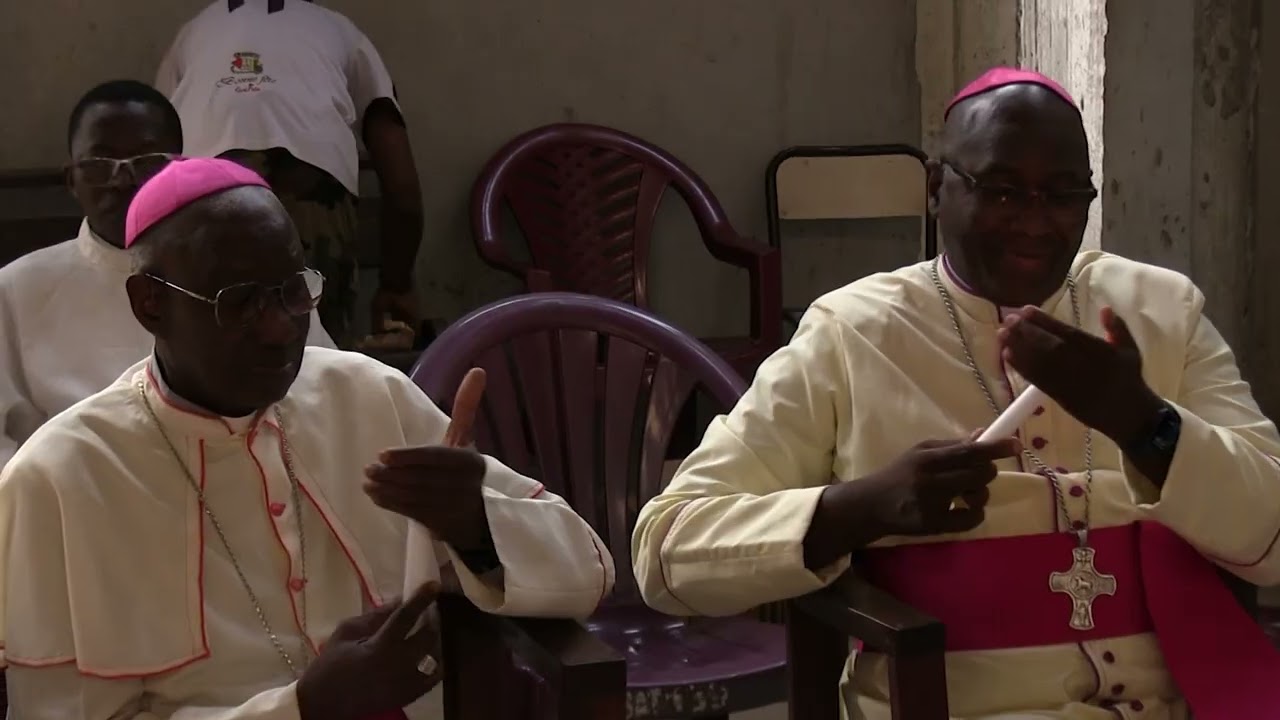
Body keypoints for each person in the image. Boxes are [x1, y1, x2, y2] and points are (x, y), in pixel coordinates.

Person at [632, 67, 1280, 719]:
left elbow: (1272, 540)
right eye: (1002, 191)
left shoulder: (1162, 311)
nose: (1035, 222)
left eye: (1063, 194)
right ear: (937, 188)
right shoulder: (852, 333)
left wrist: (1143, 423)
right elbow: (666, 552)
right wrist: (861, 509)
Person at [0, 157, 614, 719]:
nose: (278, 328)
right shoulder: (57, 479)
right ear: (150, 305)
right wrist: (303, 708)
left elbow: (591, 569)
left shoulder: (370, 395)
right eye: (239, 302)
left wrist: (476, 527)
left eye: (292, 291)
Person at [0, 79, 334, 472]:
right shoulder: (15, 290)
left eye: (147, 161)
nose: (123, 180)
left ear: (181, 167)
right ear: (71, 179)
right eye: (100, 165)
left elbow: (321, 389)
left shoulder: (252, 272)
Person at [156, 0, 425, 348]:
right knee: (320, 359)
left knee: (215, 352)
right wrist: (396, 286)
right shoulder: (340, 31)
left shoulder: (192, 33)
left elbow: (156, 153)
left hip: (207, 202)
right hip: (312, 198)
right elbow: (402, 190)